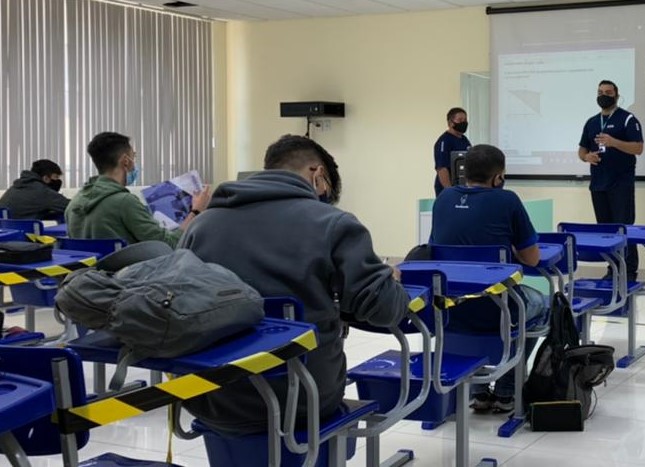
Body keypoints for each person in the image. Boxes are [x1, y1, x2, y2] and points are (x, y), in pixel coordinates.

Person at [178, 134, 408, 435]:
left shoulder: (201, 226)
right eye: (326, 188)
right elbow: (384, 310)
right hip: (303, 399)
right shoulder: (334, 224)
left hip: (212, 396)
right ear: (317, 173)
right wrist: (388, 278)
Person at [430, 144, 548, 413]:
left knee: (486, 306)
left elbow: (436, 249)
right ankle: (507, 390)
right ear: (498, 178)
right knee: (542, 304)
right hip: (498, 312)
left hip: (450, 311)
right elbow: (532, 259)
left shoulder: (444, 200)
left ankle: (478, 391)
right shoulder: (507, 201)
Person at [66, 132, 209, 248]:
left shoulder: (74, 204)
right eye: (134, 156)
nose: (135, 163)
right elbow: (170, 245)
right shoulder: (124, 202)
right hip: (128, 279)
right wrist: (196, 211)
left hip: (87, 279)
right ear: (126, 161)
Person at [578, 80, 644, 282]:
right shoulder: (591, 122)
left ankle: (629, 272)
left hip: (620, 184)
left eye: (607, 92)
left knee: (623, 227)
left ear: (616, 95)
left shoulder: (627, 119)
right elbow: (582, 150)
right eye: (600, 92)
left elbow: (638, 148)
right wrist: (587, 157)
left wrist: (614, 142)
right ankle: (613, 268)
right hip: (598, 183)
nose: (603, 95)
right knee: (605, 230)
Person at [0, 159, 70, 220]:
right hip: (25, 233)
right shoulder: (42, 191)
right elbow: (73, 206)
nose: (58, 181)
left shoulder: (16, 187)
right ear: (46, 178)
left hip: (5, 232)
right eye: (56, 177)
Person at [433, 107, 472, 198]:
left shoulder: (464, 139)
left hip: (462, 186)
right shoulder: (444, 141)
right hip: (448, 189)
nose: (464, 122)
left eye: (465, 120)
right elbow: (441, 168)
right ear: (450, 123)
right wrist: (449, 190)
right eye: (460, 120)